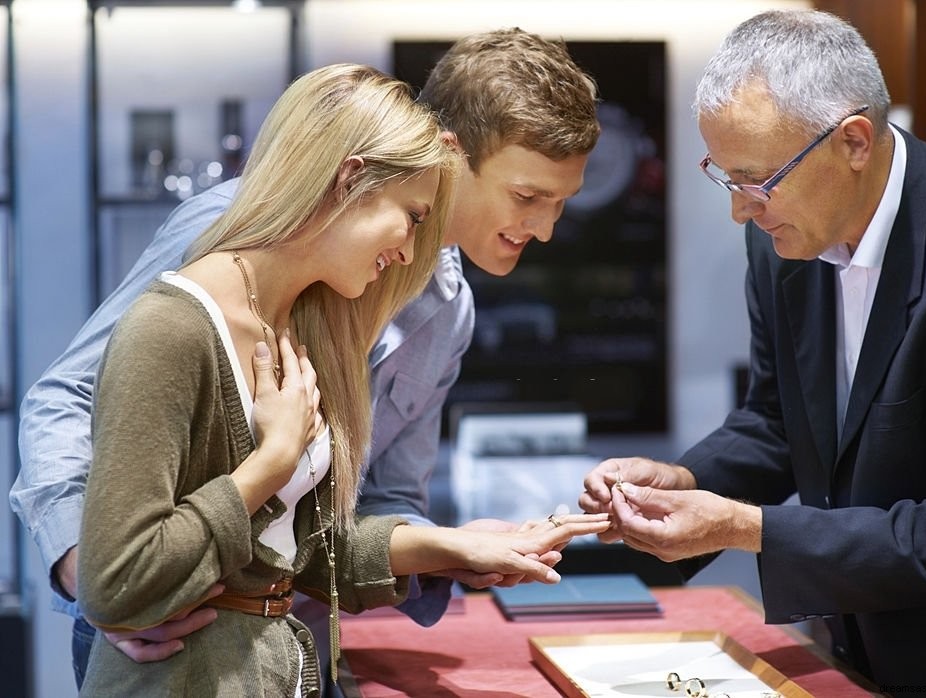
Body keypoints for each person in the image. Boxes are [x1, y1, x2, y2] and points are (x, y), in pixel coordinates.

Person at [10, 26, 600, 690]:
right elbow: (72, 397)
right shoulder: (234, 239)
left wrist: (446, 551)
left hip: (288, 645)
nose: (547, 228)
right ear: (447, 153)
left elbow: (356, 512)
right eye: (528, 196)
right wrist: (93, 571)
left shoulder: (446, 308)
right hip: (168, 639)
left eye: (561, 203)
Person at [581, 9, 926, 694]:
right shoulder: (781, 237)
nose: (741, 211)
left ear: (853, 141)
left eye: (758, 179)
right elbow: (780, 422)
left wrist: (744, 527)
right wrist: (685, 484)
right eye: (725, 177)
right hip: (843, 647)